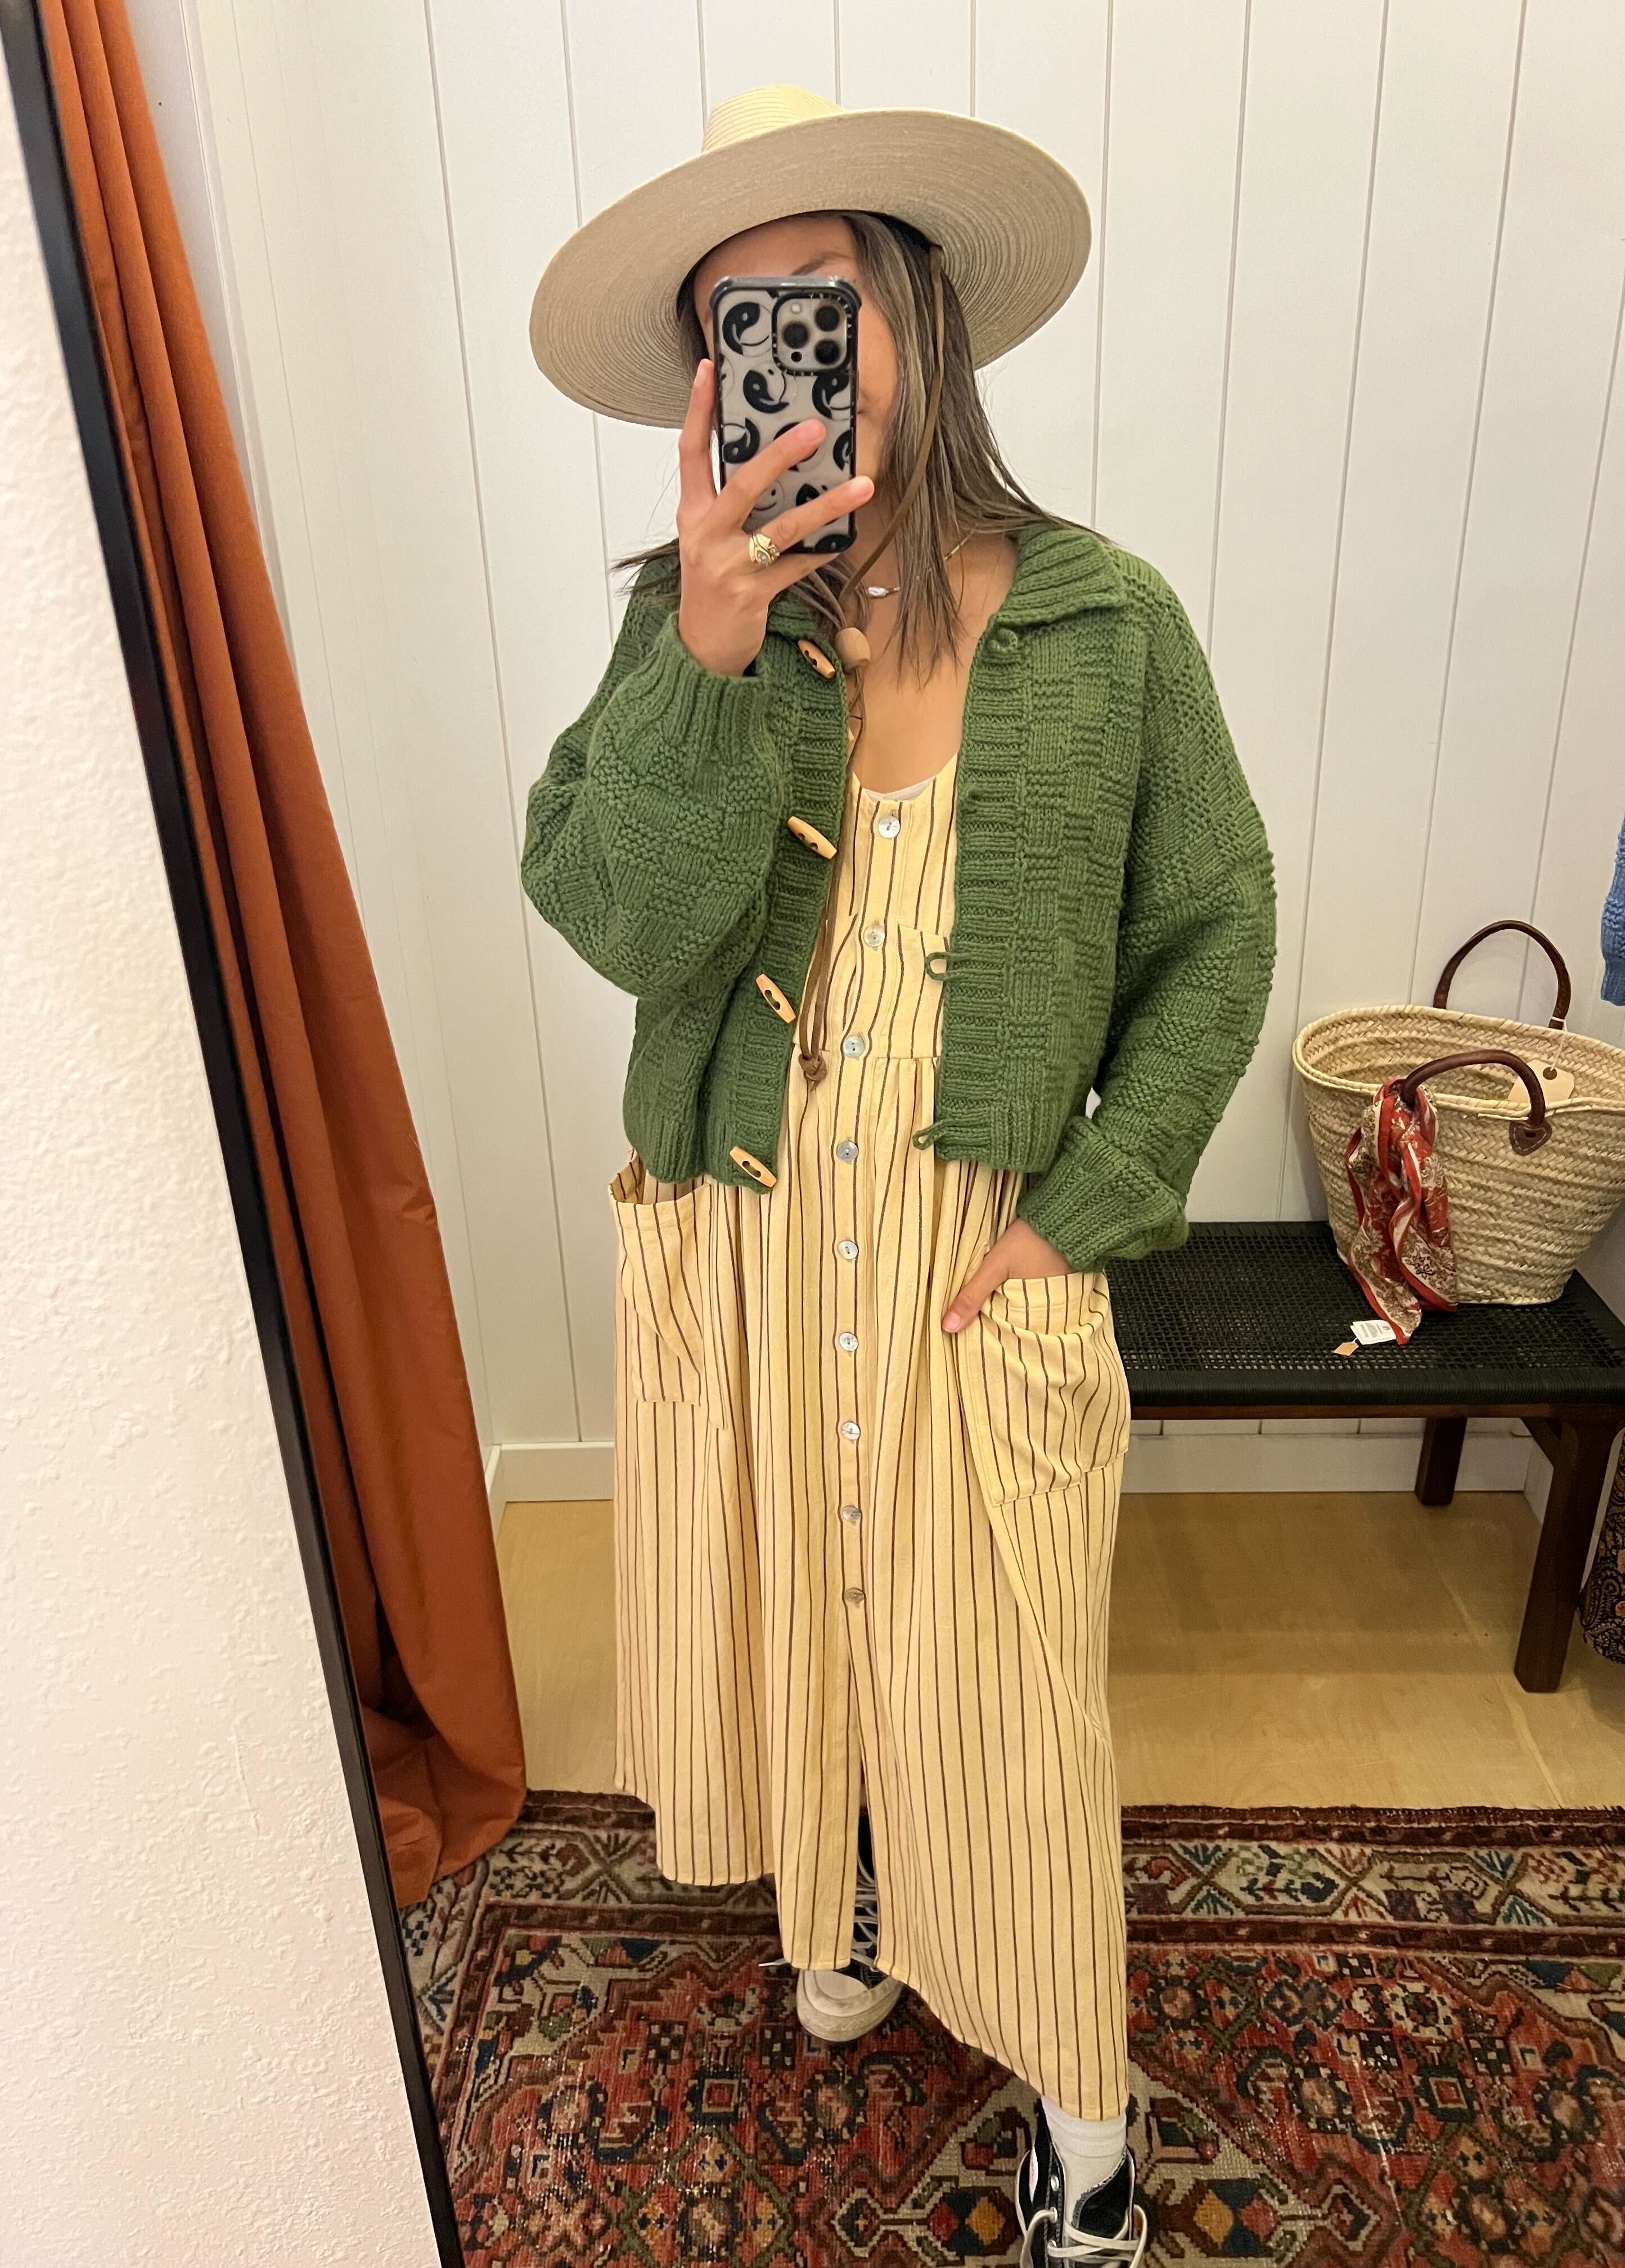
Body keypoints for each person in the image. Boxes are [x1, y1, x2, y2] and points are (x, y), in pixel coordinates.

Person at [522, 82, 1276, 2268]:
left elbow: (1214, 927)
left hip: (972, 1259)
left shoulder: (1104, 626)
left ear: (920, 318)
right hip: (753, 1242)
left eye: (822, 302)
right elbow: (626, 920)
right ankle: (841, 1891)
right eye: (735, 325)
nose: (785, 359)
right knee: (804, 1607)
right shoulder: (688, 629)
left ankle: (1085, 2122)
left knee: (1005, 1693)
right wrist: (710, 661)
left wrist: (1093, 1207)